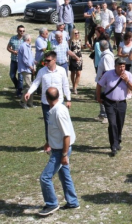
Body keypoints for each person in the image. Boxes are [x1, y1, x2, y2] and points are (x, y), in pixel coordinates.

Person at [37, 87, 79, 216]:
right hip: (57, 148)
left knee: (45, 178)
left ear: (46, 97)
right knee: (65, 176)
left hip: (60, 151)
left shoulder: (59, 112)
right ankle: (72, 202)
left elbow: (67, 136)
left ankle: (51, 204)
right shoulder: (55, 109)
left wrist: (64, 155)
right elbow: (56, 130)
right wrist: (49, 142)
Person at [25, 51, 71, 148]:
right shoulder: (42, 71)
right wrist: (29, 92)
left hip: (59, 103)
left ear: (54, 60)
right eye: (45, 60)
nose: (46, 62)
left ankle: (61, 143)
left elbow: (66, 85)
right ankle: (49, 143)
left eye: (48, 60)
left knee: (59, 123)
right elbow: (36, 83)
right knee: (48, 124)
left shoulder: (62, 71)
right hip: (46, 103)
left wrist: (69, 99)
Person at [96, 58, 132, 156]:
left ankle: (117, 140)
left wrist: (126, 80)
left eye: (123, 66)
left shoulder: (128, 75)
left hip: (122, 103)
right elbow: (99, 85)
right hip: (109, 103)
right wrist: (98, 97)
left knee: (120, 123)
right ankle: (113, 146)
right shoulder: (108, 74)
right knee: (112, 123)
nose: (122, 68)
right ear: (115, 66)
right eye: (120, 66)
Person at [95, 40, 115, 124]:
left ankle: (106, 116)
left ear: (101, 47)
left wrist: (103, 81)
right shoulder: (107, 55)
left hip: (104, 82)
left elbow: (107, 70)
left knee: (104, 97)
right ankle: (102, 114)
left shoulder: (106, 57)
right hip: (102, 80)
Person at [7, 25, 25, 97]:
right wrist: (13, 51)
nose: (22, 32)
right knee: (12, 75)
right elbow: (8, 47)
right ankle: (18, 86)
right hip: (14, 60)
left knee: (21, 77)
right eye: (20, 31)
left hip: (22, 61)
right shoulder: (13, 38)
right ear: (17, 31)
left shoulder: (25, 39)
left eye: (23, 31)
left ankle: (19, 92)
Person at [17, 34, 35, 109]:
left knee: (30, 86)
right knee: (30, 86)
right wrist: (30, 67)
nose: (31, 39)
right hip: (26, 69)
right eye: (30, 38)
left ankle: (30, 103)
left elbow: (30, 57)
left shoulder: (28, 46)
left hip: (28, 68)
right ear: (28, 39)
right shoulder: (24, 46)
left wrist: (35, 62)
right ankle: (22, 101)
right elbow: (25, 59)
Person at [69, 29, 82, 95]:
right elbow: (68, 50)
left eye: (78, 33)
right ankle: (73, 85)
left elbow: (81, 48)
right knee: (73, 72)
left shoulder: (80, 40)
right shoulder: (70, 41)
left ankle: (75, 87)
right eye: (75, 33)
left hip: (79, 58)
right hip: (73, 58)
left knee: (79, 73)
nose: (77, 34)